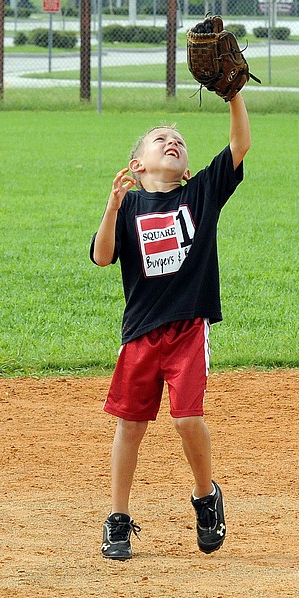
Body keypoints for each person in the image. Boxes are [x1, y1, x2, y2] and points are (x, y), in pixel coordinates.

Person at [90, 93, 252, 560]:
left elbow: (240, 144)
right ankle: (117, 518)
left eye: (179, 141)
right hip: (140, 332)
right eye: (160, 140)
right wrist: (111, 208)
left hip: (187, 329)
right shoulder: (129, 205)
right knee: (130, 425)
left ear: (185, 168)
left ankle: (206, 495)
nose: (172, 142)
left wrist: (234, 95)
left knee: (186, 419)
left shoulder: (199, 194)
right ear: (137, 165)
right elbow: (103, 258)